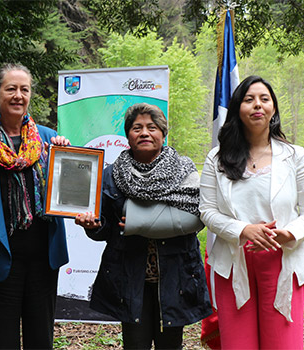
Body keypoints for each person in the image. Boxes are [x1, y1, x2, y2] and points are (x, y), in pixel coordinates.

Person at [199, 75, 304, 349]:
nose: (258, 105)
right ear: (237, 109)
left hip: (282, 262)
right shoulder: (217, 158)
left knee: (282, 344)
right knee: (238, 344)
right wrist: (243, 230)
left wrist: (288, 233)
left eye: (264, 99)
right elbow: (206, 210)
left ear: (274, 109)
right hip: (233, 263)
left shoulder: (295, 156)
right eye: (249, 99)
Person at [75, 103, 212, 349]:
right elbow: (106, 229)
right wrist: (93, 226)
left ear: (163, 133)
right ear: (128, 135)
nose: (145, 133)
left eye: (152, 127)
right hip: (130, 278)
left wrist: (146, 223)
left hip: (175, 278)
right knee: (135, 345)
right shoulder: (112, 175)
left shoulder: (184, 170)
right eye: (137, 128)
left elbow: (196, 217)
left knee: (170, 345)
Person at [0, 63, 69, 349]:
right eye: (11, 89)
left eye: (24, 89)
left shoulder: (49, 140)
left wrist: (64, 156)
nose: (18, 95)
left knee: (40, 339)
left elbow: (70, 189)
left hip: (42, 259)